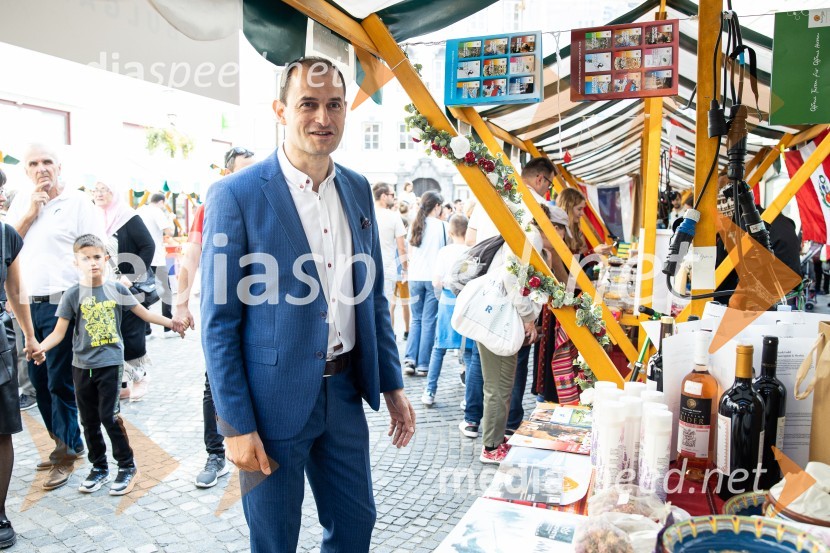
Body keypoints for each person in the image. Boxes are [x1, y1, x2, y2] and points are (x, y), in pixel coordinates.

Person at [200, 56, 415, 552]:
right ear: (281, 110)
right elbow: (218, 322)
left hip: (343, 394)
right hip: (270, 403)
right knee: (274, 539)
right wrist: (235, 426)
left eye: (334, 105)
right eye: (309, 104)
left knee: (356, 525)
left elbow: (372, 297)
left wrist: (391, 383)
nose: (323, 118)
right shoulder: (235, 195)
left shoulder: (358, 188)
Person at [31, 234, 185, 497]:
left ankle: (126, 466)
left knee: (108, 416)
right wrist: (40, 347)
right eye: (85, 258)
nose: (92, 263)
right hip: (81, 366)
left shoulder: (118, 290)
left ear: (106, 259)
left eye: (97, 257)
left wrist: (173, 323)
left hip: (110, 365)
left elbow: (145, 314)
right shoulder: (71, 295)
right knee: (88, 420)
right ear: (75, 262)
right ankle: (99, 467)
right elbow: (59, 333)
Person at [5, 143, 106, 490]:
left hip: (64, 302)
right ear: (26, 170)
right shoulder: (21, 202)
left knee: (58, 379)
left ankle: (64, 453)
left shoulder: (77, 202)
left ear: (59, 166)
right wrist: (30, 213)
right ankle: (67, 442)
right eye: (34, 163)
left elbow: (96, 249)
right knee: (35, 379)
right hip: (24, 304)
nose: (41, 168)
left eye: (47, 161)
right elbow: (6, 247)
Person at [174, 147, 255, 489]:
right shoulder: (212, 206)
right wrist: (180, 304)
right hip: (222, 306)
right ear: (226, 174)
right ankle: (215, 453)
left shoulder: (266, 201)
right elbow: (191, 254)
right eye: (243, 171)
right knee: (216, 379)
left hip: (263, 306)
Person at [478, 226, 544, 464]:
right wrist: (528, 317)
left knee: (498, 384)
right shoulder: (531, 237)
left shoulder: (521, 233)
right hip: (503, 321)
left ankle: (494, 441)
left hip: (496, 318)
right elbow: (511, 278)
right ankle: (491, 447)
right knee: (500, 386)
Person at [0, 183, 40, 548]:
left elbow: (16, 290)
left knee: (0, 431)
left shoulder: (6, 235)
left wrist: (29, 336)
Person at [92, 179, 155, 402]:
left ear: (114, 191)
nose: (99, 194)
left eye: (104, 189)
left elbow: (148, 246)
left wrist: (132, 276)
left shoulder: (127, 217)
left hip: (127, 286)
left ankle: (140, 377)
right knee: (110, 335)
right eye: (95, 190)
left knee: (131, 333)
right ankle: (123, 382)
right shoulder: (93, 218)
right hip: (102, 288)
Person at [421, 214, 471, 406]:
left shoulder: (444, 251)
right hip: (465, 305)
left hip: (446, 302)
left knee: (439, 348)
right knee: (468, 352)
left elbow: (436, 281)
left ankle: (430, 391)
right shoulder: (472, 251)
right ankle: (468, 398)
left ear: (450, 232)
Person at [403, 191, 447, 377]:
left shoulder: (415, 223)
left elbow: (410, 252)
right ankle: (422, 364)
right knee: (429, 321)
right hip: (433, 277)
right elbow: (444, 253)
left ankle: (409, 359)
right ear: (436, 206)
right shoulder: (442, 227)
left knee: (416, 320)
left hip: (415, 276)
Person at [137, 193, 175, 336]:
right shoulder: (157, 211)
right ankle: (168, 326)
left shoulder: (139, 210)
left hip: (141, 258)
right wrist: (170, 219)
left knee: (142, 291)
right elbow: (169, 232)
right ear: (161, 202)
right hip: (156, 257)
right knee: (166, 290)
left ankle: (146, 329)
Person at [373, 183, 407, 334]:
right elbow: (402, 247)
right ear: (383, 196)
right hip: (387, 267)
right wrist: (405, 268)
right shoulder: (393, 217)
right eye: (392, 195)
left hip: (366, 266)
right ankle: (387, 340)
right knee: (386, 308)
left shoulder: (367, 212)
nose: (394, 198)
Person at [556, 187, 613, 257]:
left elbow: (583, 260)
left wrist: (595, 253)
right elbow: (571, 263)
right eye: (579, 209)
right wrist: (594, 252)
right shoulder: (558, 231)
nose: (582, 213)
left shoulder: (576, 229)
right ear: (568, 208)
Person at [392, 201, 411, 340]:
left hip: (391, 275)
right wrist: (406, 269)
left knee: (391, 306)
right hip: (402, 275)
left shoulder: (389, 241)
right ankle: (407, 330)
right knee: (405, 304)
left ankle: (391, 331)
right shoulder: (403, 243)